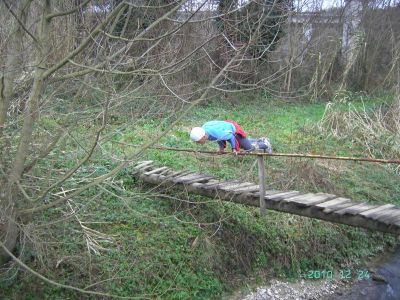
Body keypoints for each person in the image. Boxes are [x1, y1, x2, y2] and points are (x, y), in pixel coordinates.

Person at [190, 120, 272, 154]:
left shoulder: (216, 133)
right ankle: (260, 140)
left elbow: (231, 137)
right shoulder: (206, 131)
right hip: (226, 129)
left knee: (248, 148)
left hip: (233, 130)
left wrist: (234, 149)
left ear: (204, 136)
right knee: (242, 144)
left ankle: (265, 144)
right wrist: (221, 148)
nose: (198, 143)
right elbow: (219, 138)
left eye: (198, 141)